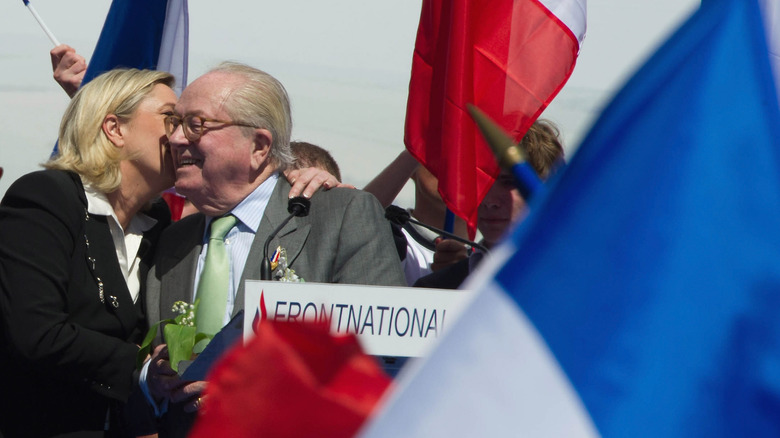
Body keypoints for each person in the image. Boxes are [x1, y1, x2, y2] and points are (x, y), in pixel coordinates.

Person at [142, 62, 406, 437]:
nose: (177, 139)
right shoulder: (171, 241)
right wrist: (152, 380)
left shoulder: (338, 216)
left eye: (196, 124)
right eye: (175, 124)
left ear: (259, 146)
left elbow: (380, 360)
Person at [0, 68, 176, 437]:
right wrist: (146, 367)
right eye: (170, 117)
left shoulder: (159, 222)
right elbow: (36, 333)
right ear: (114, 129)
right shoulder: (47, 196)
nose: (185, 132)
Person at [414, 119, 565, 289]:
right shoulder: (434, 289)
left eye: (508, 182)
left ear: (549, 186)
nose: (489, 201)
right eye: (478, 183)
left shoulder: (577, 283)